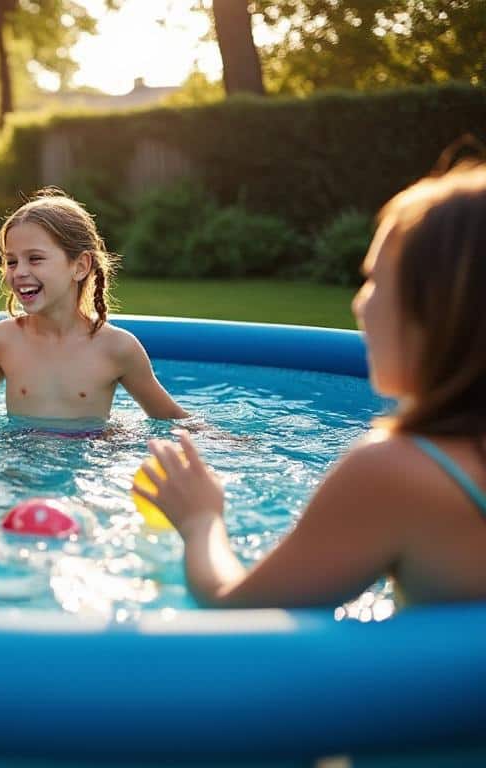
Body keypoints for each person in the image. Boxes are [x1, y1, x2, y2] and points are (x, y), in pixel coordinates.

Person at [137, 161, 486, 608]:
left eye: (375, 281)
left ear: (437, 310)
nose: (359, 304)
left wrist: (200, 518)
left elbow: (238, 610)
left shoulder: (396, 471)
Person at [0, 188, 187, 425]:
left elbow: (172, 418)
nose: (20, 272)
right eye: (12, 262)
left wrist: (224, 443)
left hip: (86, 455)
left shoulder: (117, 348)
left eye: (35, 258)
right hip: (19, 454)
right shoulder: (2, 339)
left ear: (80, 266)